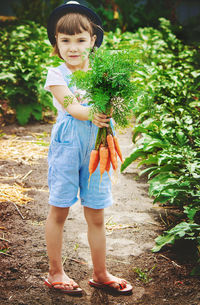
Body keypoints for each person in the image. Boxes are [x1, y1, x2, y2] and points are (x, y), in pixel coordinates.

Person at [44, 0, 133, 295]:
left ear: (92, 40)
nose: (73, 46)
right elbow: (71, 105)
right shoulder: (56, 75)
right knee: (59, 209)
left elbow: (117, 102)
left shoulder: (103, 72)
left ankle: (100, 273)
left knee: (96, 213)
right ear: (56, 41)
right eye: (65, 39)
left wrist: (111, 105)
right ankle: (56, 272)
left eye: (80, 40)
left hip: (99, 145)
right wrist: (92, 112)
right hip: (68, 145)